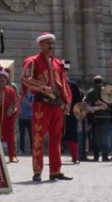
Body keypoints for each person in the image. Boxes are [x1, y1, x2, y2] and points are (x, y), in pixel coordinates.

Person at [21, 32, 72, 182]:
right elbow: (25, 79)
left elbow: (63, 83)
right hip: (41, 105)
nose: (51, 46)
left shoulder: (57, 63)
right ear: (40, 44)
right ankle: (37, 171)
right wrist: (43, 87)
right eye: (48, 43)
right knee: (38, 138)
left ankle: (55, 171)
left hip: (57, 106)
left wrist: (67, 101)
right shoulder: (32, 61)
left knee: (56, 139)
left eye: (52, 43)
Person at [61, 60, 82, 164]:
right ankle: (56, 159)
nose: (62, 73)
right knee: (56, 136)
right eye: (61, 71)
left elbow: (79, 101)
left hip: (72, 114)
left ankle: (75, 157)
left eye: (64, 71)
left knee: (73, 135)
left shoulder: (73, 85)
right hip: (58, 114)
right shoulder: (56, 85)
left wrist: (78, 113)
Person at [18, 90, 33, 155]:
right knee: (22, 135)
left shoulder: (32, 96)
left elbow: (31, 105)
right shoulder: (20, 96)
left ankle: (33, 149)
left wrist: (25, 100)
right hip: (21, 118)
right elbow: (18, 105)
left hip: (30, 118)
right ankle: (21, 149)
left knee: (31, 135)